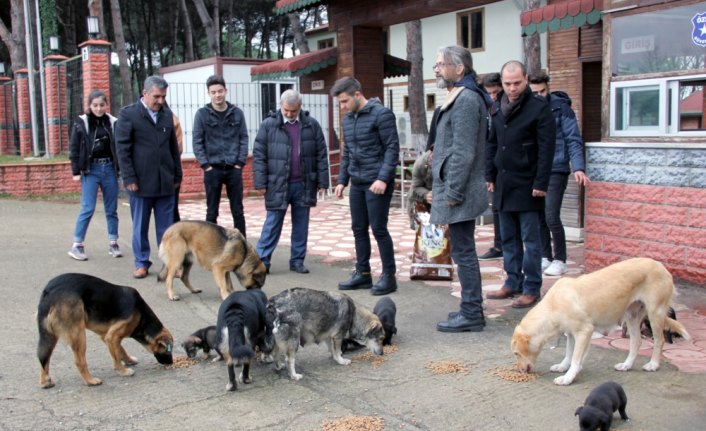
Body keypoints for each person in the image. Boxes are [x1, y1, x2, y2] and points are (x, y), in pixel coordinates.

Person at [430, 46, 492, 332]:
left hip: (461, 191)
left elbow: (464, 152)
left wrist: (453, 191)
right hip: (458, 188)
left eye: (442, 64)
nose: (437, 69)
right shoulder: (458, 95)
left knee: (464, 253)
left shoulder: (466, 99)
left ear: (460, 69)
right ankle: (470, 310)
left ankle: (472, 314)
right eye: (437, 65)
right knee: (462, 251)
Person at [485, 61, 555, 309]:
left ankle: (532, 287)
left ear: (525, 79)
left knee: (531, 240)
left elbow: (547, 148)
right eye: (507, 83)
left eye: (517, 83)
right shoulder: (496, 106)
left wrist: (541, 182)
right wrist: (489, 174)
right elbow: (491, 143)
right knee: (508, 238)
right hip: (504, 181)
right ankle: (512, 281)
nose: (512, 88)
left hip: (529, 183)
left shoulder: (539, 108)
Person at [332, 76, 400, 296]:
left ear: (357, 95)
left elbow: (392, 148)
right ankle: (363, 274)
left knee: (379, 229)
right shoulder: (348, 119)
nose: (342, 107)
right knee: (358, 229)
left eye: (344, 102)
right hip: (358, 183)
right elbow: (347, 152)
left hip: (377, 183)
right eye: (340, 103)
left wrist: (382, 178)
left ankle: (389, 277)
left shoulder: (382, 115)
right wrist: (342, 181)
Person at [252, 89, 329, 274]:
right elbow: (259, 155)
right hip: (277, 183)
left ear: (299, 107)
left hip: (303, 184)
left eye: (293, 111)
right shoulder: (268, 125)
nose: (289, 114)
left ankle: (297, 261)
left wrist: (323, 182)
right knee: (272, 224)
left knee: (301, 224)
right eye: (286, 110)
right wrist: (260, 183)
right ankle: (262, 262)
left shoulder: (312, 125)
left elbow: (321, 154)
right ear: (280, 105)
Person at [115, 76, 182, 279]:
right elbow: (122, 150)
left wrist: (177, 174)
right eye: (156, 97)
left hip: (165, 182)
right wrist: (129, 178)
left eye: (163, 97)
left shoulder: (166, 115)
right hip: (140, 183)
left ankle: (171, 263)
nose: (160, 101)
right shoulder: (128, 115)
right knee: (140, 226)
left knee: (167, 229)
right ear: (144, 93)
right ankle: (141, 262)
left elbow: (173, 147)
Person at [528, 70, 591, 277]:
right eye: (534, 92)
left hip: (556, 168)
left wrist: (578, 167)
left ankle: (560, 259)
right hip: (535, 169)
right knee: (538, 215)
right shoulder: (528, 107)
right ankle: (545, 256)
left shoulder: (560, 107)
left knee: (551, 214)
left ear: (548, 87)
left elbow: (573, 138)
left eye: (542, 91)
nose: (539, 96)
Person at [67, 89, 121, 261]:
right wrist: (76, 171)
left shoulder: (112, 122)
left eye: (101, 105)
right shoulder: (81, 122)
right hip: (91, 170)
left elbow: (118, 146)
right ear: (89, 106)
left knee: (111, 209)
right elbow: (74, 148)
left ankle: (113, 242)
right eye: (95, 105)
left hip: (109, 168)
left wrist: (119, 169)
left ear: (106, 105)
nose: (98, 109)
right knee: (88, 208)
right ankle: (77, 245)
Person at [192, 74, 249, 236]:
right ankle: (211, 247)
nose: (217, 95)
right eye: (213, 92)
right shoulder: (202, 114)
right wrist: (206, 165)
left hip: (233, 169)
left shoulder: (237, 113)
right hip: (212, 169)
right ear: (208, 93)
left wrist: (240, 163)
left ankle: (242, 246)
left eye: (220, 91)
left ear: (226, 91)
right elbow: (197, 141)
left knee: (238, 210)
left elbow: (243, 137)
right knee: (211, 211)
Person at [477, 72, 504, 261]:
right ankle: (499, 245)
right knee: (496, 208)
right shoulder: (489, 106)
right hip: (493, 166)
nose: (493, 96)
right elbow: (489, 143)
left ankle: (508, 245)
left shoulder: (505, 105)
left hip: (510, 166)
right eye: (490, 93)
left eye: (496, 92)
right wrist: (489, 174)